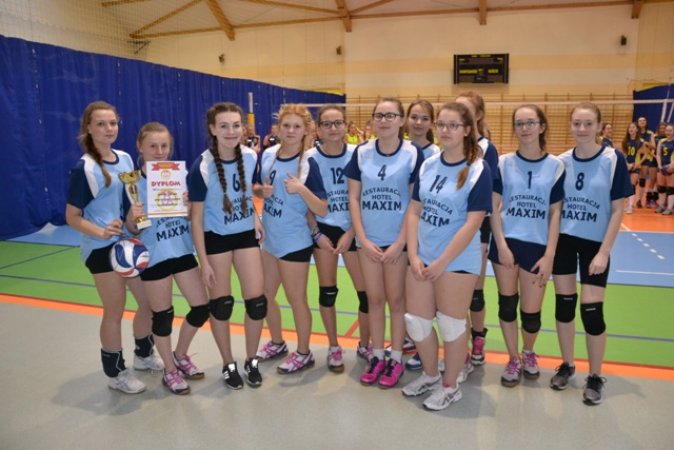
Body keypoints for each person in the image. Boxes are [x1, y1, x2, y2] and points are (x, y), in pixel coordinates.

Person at [65, 101, 162, 394]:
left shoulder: (125, 158)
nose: (109, 129)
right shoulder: (85, 168)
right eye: (101, 124)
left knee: (148, 302)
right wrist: (101, 231)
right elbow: (72, 216)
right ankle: (116, 372)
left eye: (113, 123)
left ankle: (143, 355)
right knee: (114, 310)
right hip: (99, 247)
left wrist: (138, 220)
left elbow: (131, 199)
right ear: (88, 128)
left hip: (127, 244)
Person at [400, 101, 491, 410]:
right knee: (416, 322)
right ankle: (430, 374)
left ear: (466, 130)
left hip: (457, 261)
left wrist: (441, 262)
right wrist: (414, 255)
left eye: (454, 125)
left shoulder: (477, 169)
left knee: (452, 325)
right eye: (442, 125)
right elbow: (414, 211)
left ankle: (450, 386)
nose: (446, 130)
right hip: (423, 257)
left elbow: (473, 223)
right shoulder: (428, 164)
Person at [550, 102, 631, 406]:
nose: (582, 129)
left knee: (592, 313)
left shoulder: (613, 159)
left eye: (588, 123)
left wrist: (604, 252)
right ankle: (567, 364)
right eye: (577, 123)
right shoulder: (561, 162)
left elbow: (618, 209)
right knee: (564, 307)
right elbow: (554, 208)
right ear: (570, 125)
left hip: (595, 245)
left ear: (598, 126)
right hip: (565, 241)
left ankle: (595, 375)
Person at [125, 122, 212, 395]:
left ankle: (180, 354)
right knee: (163, 317)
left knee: (201, 308)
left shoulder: (179, 175)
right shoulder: (131, 183)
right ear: (140, 146)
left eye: (164, 146)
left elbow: (193, 217)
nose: (159, 151)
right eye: (152, 146)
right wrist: (133, 217)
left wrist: (189, 206)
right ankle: (170, 371)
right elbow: (132, 229)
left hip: (182, 250)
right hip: (154, 256)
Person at [344, 97, 424, 388]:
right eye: (379, 115)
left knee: (397, 302)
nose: (384, 121)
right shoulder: (362, 152)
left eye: (391, 116)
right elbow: (354, 197)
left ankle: (396, 358)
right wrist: (362, 238)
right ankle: (377, 355)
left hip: (397, 244)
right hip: (368, 242)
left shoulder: (413, 153)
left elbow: (416, 202)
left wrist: (400, 243)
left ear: (401, 120)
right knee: (374, 300)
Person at [188, 102, 267, 389]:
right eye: (224, 126)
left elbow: (245, 192)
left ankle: (252, 359)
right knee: (221, 306)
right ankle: (228, 362)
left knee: (257, 303)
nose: (231, 131)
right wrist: (204, 261)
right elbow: (196, 219)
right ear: (212, 129)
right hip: (216, 239)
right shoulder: (202, 166)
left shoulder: (250, 156)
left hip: (245, 235)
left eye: (235, 125)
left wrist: (255, 217)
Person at [488, 105, 565, 387]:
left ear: (542, 127)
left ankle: (528, 352)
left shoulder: (556, 166)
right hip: (506, 244)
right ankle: (513, 358)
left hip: (537, 247)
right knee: (507, 306)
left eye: (530, 122)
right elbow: (494, 207)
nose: (525, 128)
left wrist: (550, 255)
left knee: (531, 315)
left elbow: (555, 213)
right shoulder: (503, 163)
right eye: (519, 123)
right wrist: (501, 245)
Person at [253, 104, 328, 374]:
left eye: (297, 126)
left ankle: (304, 352)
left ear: (306, 130)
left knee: (296, 299)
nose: (291, 131)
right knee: (265, 295)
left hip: (294, 241)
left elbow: (322, 208)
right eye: (286, 125)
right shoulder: (269, 154)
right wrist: (261, 191)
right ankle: (277, 342)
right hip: (270, 239)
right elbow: (256, 187)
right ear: (278, 128)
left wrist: (301, 189)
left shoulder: (309, 163)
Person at [305, 105, 372, 370]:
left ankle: (365, 343)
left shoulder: (359, 154)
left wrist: (352, 233)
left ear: (346, 125)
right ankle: (333, 346)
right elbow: (304, 202)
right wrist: (317, 233)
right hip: (324, 230)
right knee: (328, 292)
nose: (333, 128)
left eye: (338, 123)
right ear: (318, 129)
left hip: (354, 229)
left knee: (366, 294)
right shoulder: (309, 158)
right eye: (327, 124)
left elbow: (365, 199)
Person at [455, 91, 499, 370]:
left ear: (478, 115)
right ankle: (460, 346)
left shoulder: (486, 149)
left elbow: (490, 194)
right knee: (455, 293)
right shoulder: (448, 144)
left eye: (466, 109)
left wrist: (484, 233)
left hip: (476, 228)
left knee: (475, 291)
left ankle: (478, 337)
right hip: (450, 227)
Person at [402, 99, 439, 370]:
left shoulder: (436, 154)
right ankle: (411, 337)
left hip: (426, 233)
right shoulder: (399, 149)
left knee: (430, 296)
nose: (418, 122)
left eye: (425, 118)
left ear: (432, 123)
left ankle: (426, 345)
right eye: (414, 117)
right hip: (397, 230)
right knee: (406, 293)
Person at [621, 122, 643, 214]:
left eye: (633, 127)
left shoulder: (640, 142)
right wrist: (627, 164)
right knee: (625, 186)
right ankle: (626, 205)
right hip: (627, 166)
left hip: (636, 166)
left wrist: (637, 164)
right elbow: (623, 154)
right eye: (629, 127)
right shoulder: (625, 141)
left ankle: (630, 206)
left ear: (637, 129)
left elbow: (645, 155)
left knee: (632, 185)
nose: (631, 129)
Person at [636, 117, 657, 208]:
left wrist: (646, 144)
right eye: (640, 120)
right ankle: (635, 199)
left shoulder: (650, 133)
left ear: (646, 122)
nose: (642, 122)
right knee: (636, 179)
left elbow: (654, 146)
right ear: (637, 122)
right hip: (637, 157)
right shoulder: (636, 132)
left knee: (645, 179)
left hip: (648, 158)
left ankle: (641, 200)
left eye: (644, 120)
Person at [655, 123, 674, 215]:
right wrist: (659, 165)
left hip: (671, 167)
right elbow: (658, 154)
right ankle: (661, 205)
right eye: (667, 130)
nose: (668, 132)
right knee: (661, 186)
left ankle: (669, 208)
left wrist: (671, 165)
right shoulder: (661, 141)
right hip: (661, 166)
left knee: (671, 187)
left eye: (670, 131)